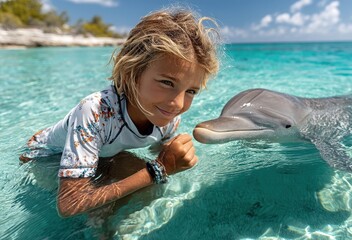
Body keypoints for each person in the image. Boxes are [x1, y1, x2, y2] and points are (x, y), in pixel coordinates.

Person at [19, 8, 220, 218]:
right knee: (101, 210)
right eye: (167, 82)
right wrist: (158, 169)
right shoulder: (95, 112)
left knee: (149, 187)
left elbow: (160, 150)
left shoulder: (168, 115)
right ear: (131, 73)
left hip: (104, 151)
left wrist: (175, 155)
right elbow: (69, 204)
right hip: (46, 156)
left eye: (191, 91)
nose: (178, 103)